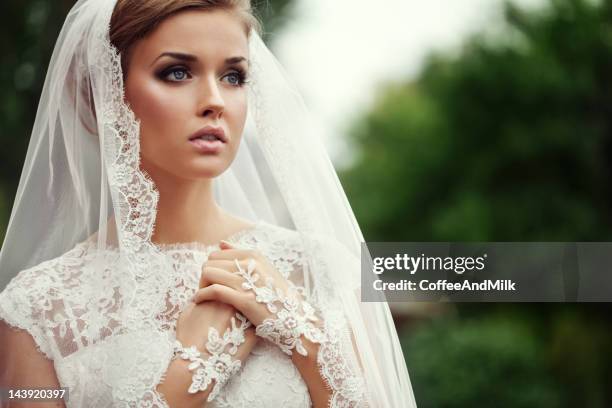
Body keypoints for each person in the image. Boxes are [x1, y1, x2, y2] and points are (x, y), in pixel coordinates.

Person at [0, 0, 418, 407]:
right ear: (103, 95)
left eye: (234, 76)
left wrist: (298, 330)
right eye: (177, 72)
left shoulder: (321, 270)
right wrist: (190, 373)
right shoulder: (36, 310)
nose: (215, 100)